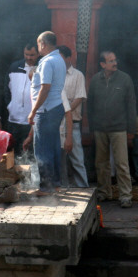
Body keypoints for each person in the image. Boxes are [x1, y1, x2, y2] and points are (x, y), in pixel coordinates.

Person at [87, 51, 136, 208]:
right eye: (111, 61)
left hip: (119, 128)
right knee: (101, 163)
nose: (115, 63)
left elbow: (131, 105)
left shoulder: (125, 79)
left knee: (122, 163)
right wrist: (92, 128)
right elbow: (90, 105)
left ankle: (126, 196)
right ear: (102, 64)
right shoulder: (95, 80)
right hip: (100, 128)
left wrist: (131, 130)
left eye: (115, 60)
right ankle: (104, 193)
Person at [27, 31, 66, 196]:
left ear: (43, 43)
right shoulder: (59, 59)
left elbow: (45, 87)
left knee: (42, 149)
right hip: (57, 107)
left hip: (46, 110)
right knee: (54, 147)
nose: (38, 47)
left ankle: (46, 187)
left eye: (38, 44)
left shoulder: (48, 62)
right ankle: (55, 184)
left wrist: (33, 111)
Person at [57, 45, 88, 188]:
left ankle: (83, 187)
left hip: (73, 123)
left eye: (61, 57)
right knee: (60, 160)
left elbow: (79, 97)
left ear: (69, 58)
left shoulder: (78, 75)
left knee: (77, 159)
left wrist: (65, 110)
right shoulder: (54, 74)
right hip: (57, 124)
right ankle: (63, 188)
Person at [4, 42, 40, 156]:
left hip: (31, 122)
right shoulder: (14, 67)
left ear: (38, 54)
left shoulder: (42, 68)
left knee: (29, 154)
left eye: (32, 55)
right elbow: (6, 90)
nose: (29, 57)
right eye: (26, 54)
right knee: (12, 153)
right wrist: (10, 106)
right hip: (13, 119)